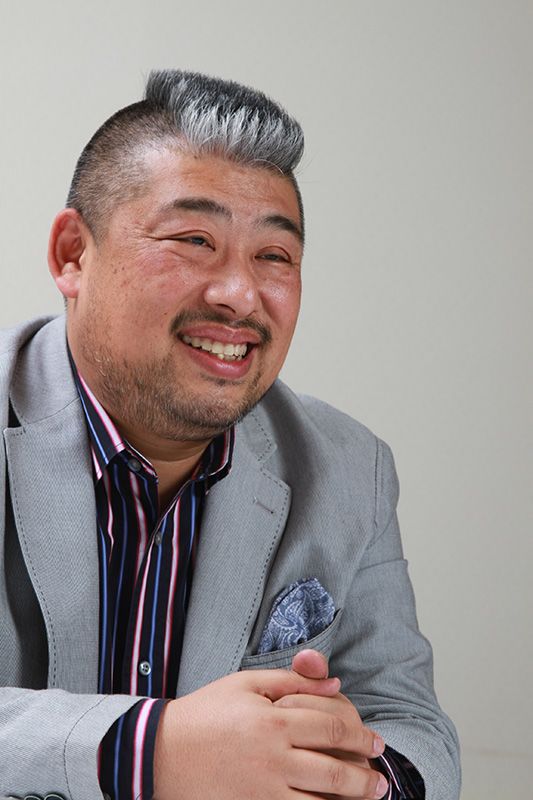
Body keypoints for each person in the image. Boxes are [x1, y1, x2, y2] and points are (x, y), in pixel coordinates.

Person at [0, 70, 460, 800]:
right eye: (194, 240)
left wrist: (349, 779)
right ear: (72, 254)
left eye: (273, 256)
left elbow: (410, 723)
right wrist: (151, 751)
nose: (240, 295)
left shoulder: (349, 467)